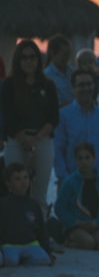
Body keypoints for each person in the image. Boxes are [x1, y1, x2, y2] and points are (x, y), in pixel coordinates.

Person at [1, 39, 60, 215]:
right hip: (16, 141)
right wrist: (24, 139)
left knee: (39, 192)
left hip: (42, 140)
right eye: (24, 58)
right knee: (16, 190)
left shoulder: (48, 85)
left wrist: (36, 139)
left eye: (33, 57)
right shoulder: (9, 85)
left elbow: (53, 118)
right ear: (18, 61)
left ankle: (40, 233)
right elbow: (8, 116)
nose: (29, 61)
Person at [53, 70, 99, 186]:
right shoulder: (63, 116)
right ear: (73, 88)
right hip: (72, 180)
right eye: (81, 85)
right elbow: (57, 150)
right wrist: (64, 178)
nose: (86, 88)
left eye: (89, 84)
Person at [55, 142, 99, 251]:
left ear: (94, 158)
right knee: (89, 243)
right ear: (75, 160)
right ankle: (68, 241)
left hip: (96, 224)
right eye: (80, 158)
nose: (84, 162)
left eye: (87, 158)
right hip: (76, 225)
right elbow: (60, 208)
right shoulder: (69, 182)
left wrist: (97, 223)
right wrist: (74, 222)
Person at [0, 162, 55, 267]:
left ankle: (25, 259)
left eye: (25, 177)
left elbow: (41, 230)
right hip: (10, 244)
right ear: (8, 183)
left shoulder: (33, 205)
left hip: (31, 243)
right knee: (11, 261)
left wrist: (48, 251)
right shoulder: (3, 204)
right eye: (17, 179)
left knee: (44, 260)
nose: (23, 182)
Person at [44, 34, 75, 107]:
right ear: (52, 53)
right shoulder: (47, 76)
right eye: (64, 55)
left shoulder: (73, 73)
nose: (67, 58)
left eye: (68, 54)